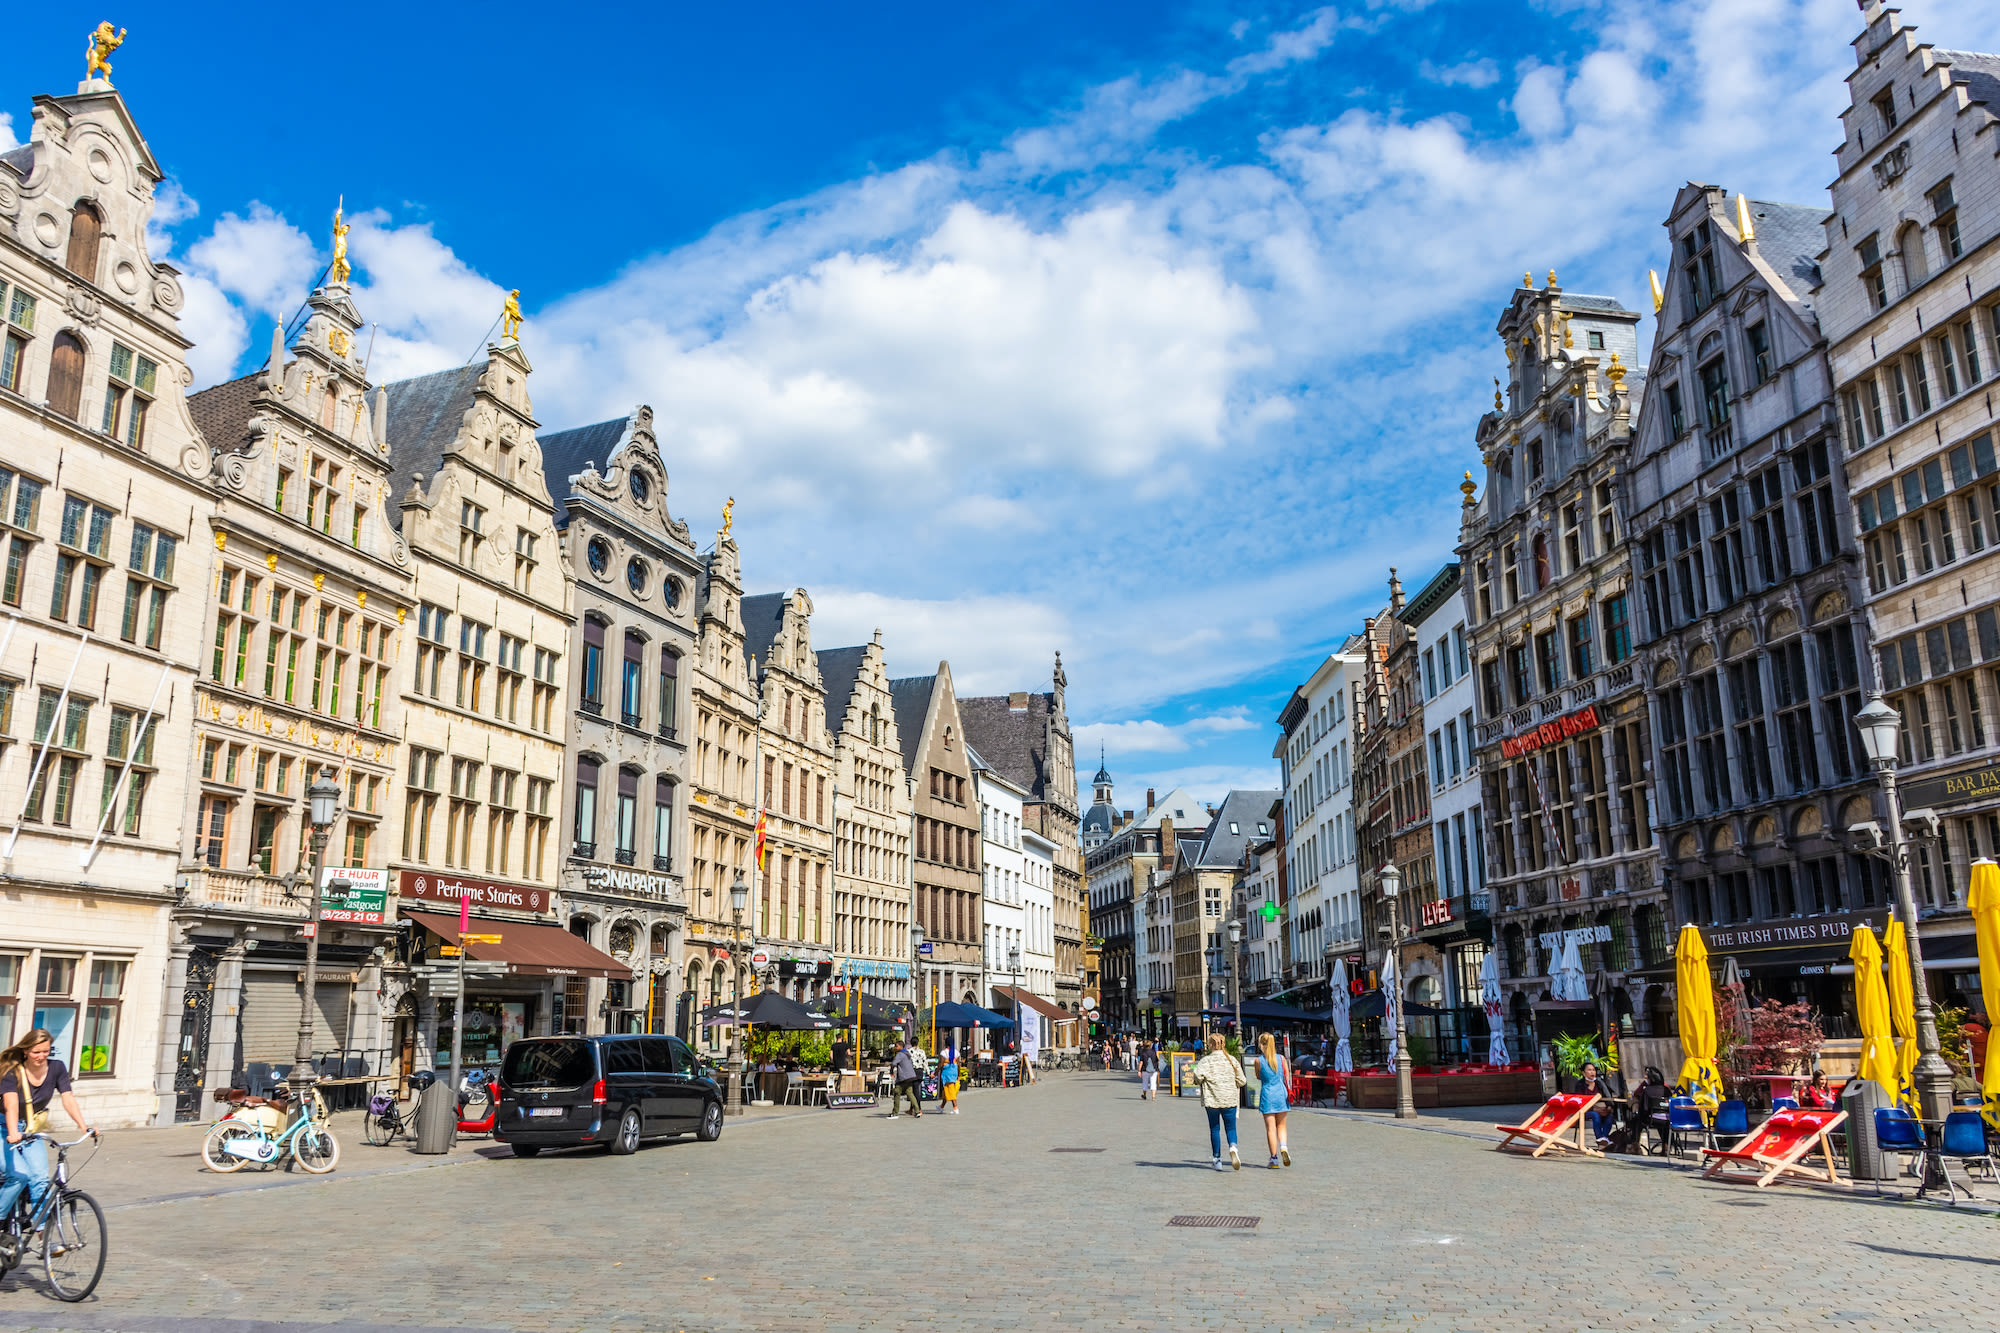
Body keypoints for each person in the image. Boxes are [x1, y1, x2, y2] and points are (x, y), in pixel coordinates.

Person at [1, 1029, 93, 1227]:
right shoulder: (12, 1071)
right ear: (25, 1051)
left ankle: (44, 1237)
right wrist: (13, 1132)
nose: (42, 1056)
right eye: (36, 1052)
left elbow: (67, 1097)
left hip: (30, 1128)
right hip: (4, 1127)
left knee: (40, 1179)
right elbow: (11, 1105)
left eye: (46, 1051)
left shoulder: (57, 1068)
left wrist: (83, 1126)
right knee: (18, 1175)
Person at [1192, 1033, 1247, 1171]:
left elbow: (1197, 1077)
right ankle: (1233, 1147)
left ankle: (1217, 1159)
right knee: (1231, 1127)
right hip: (1229, 1099)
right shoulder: (1232, 1060)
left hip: (1212, 1100)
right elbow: (1242, 1081)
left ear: (1211, 1045)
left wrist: (1202, 1081)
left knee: (1215, 1129)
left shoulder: (1206, 1061)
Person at [1254, 1032, 1291, 1167]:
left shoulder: (1259, 1060)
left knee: (1271, 1128)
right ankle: (1284, 1147)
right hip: (1281, 1094)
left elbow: (1258, 1076)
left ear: (1260, 1044)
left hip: (1268, 1095)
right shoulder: (1281, 1059)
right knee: (1281, 1125)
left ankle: (1274, 1158)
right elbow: (1286, 1076)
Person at [1577, 1061, 1617, 1147]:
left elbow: (1608, 1096)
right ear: (1584, 1073)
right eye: (1589, 1070)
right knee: (1596, 1115)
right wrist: (1594, 1109)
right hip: (1587, 1110)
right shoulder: (1580, 1085)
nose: (1592, 1072)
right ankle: (1600, 1139)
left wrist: (1609, 1106)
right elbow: (1579, 1102)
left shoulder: (1600, 1083)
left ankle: (1604, 1138)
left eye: (1593, 1070)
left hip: (1602, 1108)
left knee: (1610, 1115)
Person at [887, 1041, 923, 1119]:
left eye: (896, 1046)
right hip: (911, 1076)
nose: (895, 1048)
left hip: (903, 1077)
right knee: (910, 1093)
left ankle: (895, 1113)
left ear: (900, 1046)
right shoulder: (907, 1053)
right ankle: (917, 1111)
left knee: (897, 1093)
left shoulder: (900, 1054)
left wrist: (891, 1072)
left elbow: (893, 1064)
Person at [939, 1048, 961, 1115]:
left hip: (947, 1074)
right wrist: (959, 1075)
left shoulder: (944, 1052)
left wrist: (935, 1073)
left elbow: (941, 1064)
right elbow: (958, 1064)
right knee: (947, 1090)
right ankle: (941, 1106)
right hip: (954, 1073)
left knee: (950, 1091)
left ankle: (955, 1107)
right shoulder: (956, 1052)